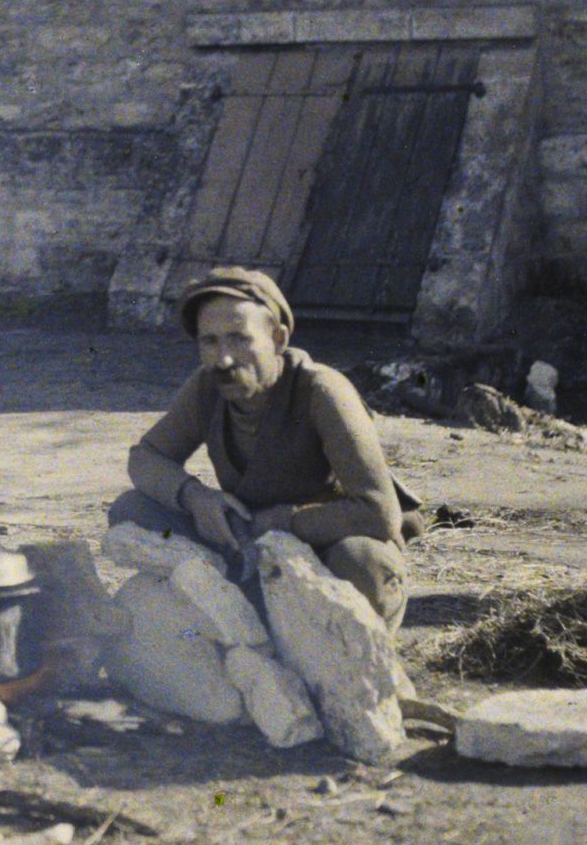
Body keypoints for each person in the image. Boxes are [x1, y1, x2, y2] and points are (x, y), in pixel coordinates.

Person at [111, 266, 420, 629]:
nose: (223, 358)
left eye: (239, 338)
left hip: (326, 545)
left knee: (362, 564)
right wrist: (195, 497)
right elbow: (146, 457)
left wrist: (281, 521)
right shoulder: (208, 387)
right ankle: (237, 606)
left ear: (278, 339)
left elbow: (379, 514)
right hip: (245, 542)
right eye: (209, 341)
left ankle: (336, 632)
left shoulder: (322, 392)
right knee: (132, 510)